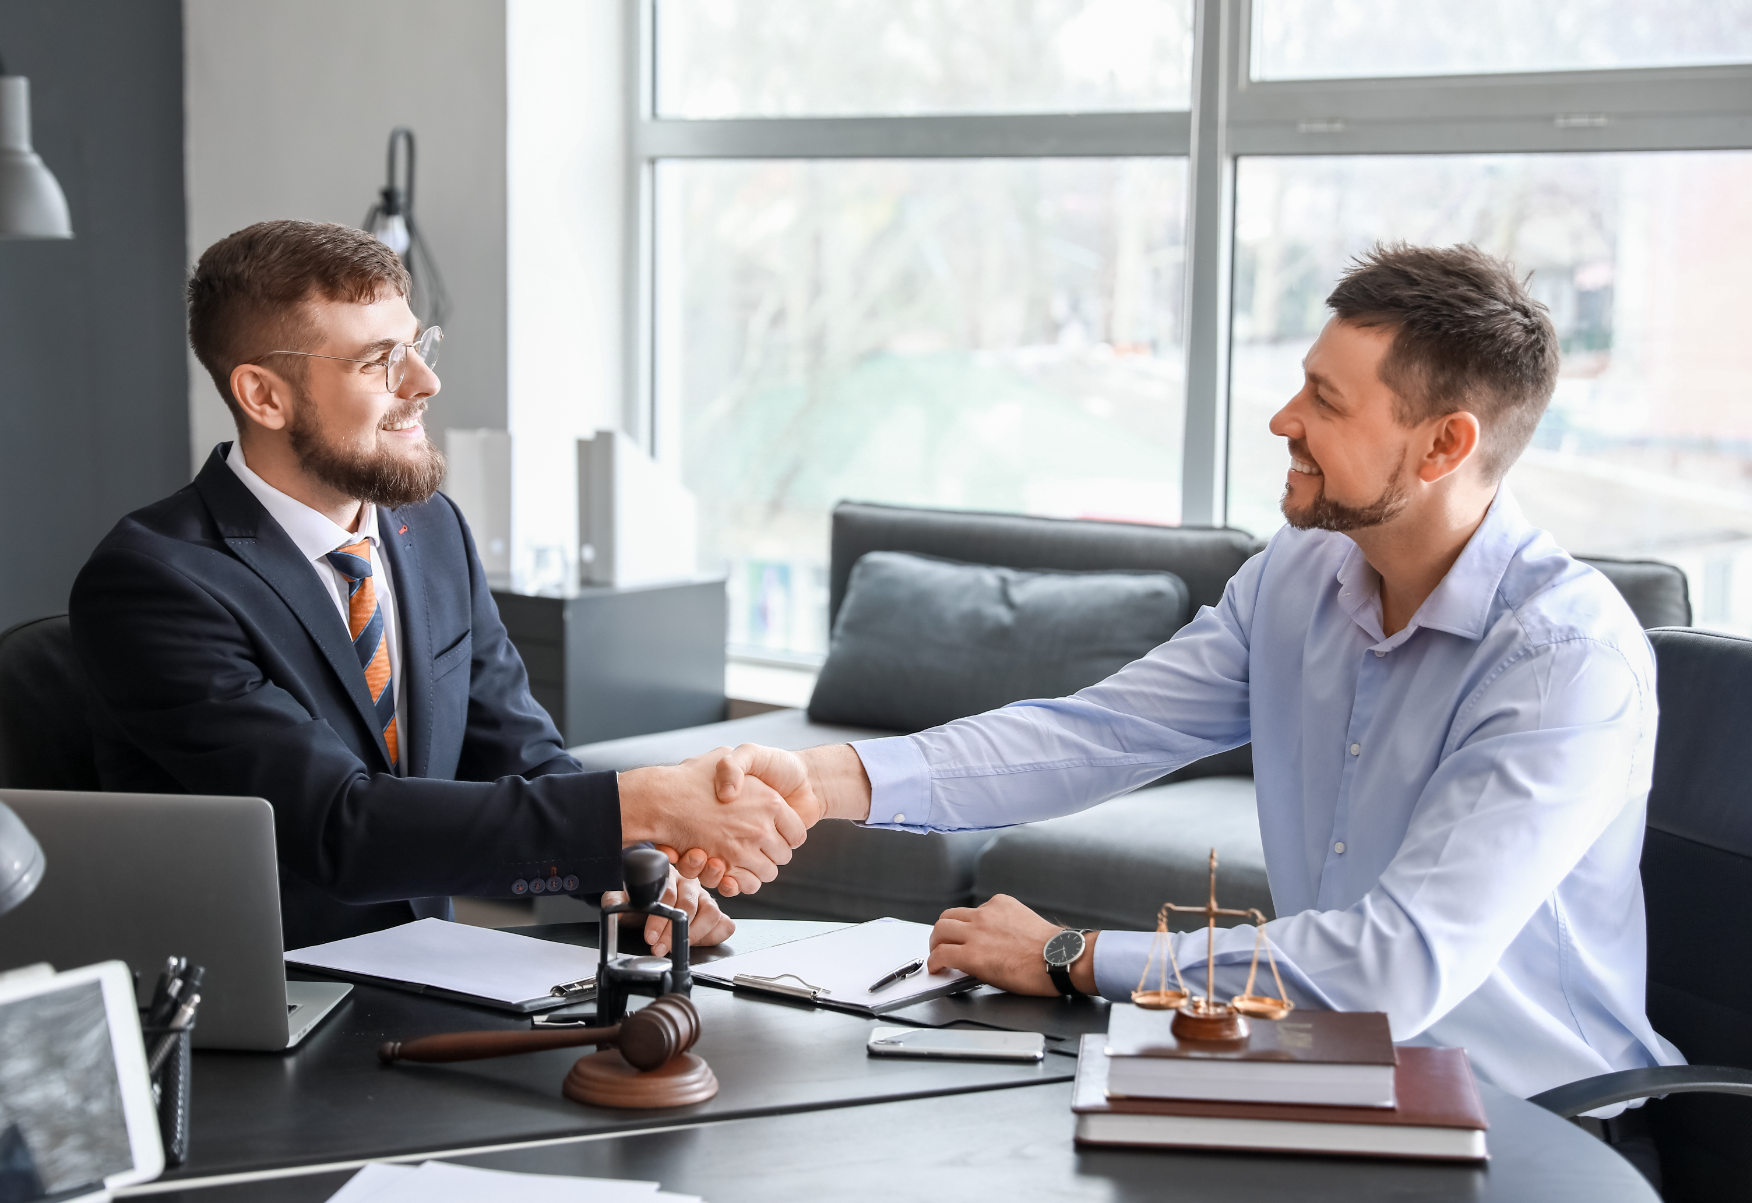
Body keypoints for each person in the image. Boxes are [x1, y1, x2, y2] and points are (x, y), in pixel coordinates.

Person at [700, 243, 1683, 1123]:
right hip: (1335, 1075)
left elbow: (1393, 964)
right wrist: (821, 780)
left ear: (1444, 446)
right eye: (1302, 384)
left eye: (1326, 402)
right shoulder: (1300, 576)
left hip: (1542, 1126)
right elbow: (1097, 733)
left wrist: (1072, 956)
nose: (1282, 419)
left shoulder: (1563, 664)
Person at [71, 220, 802, 951]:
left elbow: (514, 752)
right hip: (280, 1004)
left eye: (417, 346)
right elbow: (341, 828)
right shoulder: (154, 582)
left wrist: (620, 872)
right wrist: (636, 803)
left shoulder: (429, 528)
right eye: (378, 361)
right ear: (264, 396)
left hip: (437, 969)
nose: (425, 383)